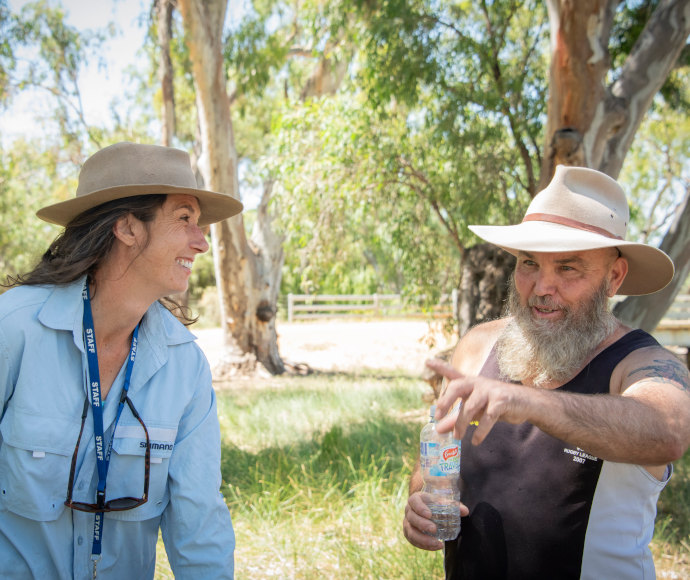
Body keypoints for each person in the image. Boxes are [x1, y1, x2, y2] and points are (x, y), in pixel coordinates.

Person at [403, 165, 690, 579]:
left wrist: (528, 402)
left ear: (614, 277)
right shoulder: (478, 346)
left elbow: (669, 431)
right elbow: (437, 451)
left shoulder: (639, 363)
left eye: (568, 268)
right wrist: (420, 502)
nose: (541, 287)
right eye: (529, 263)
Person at [0, 142, 243, 579]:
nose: (202, 242)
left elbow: (199, 526)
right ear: (128, 227)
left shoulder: (184, 366)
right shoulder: (13, 329)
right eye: (185, 219)